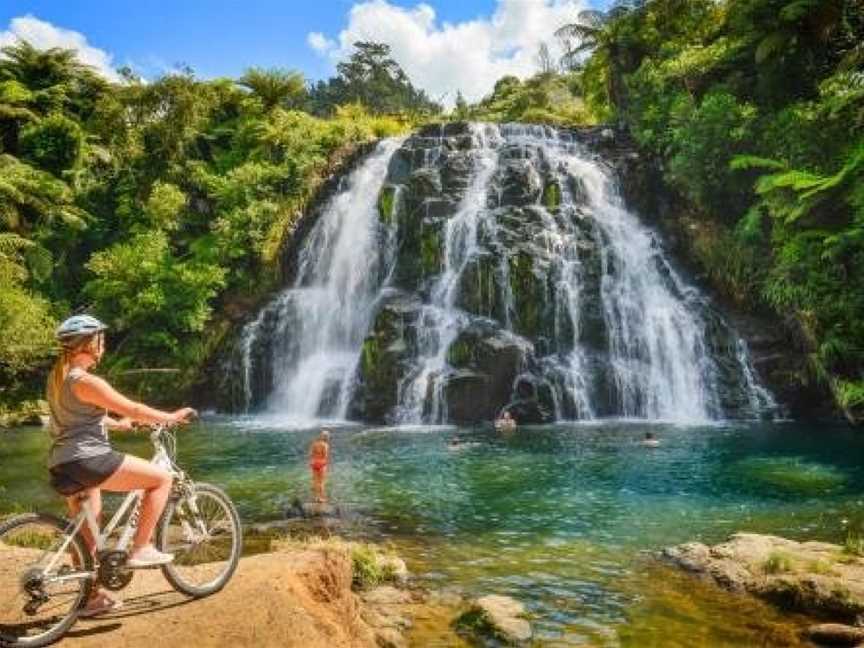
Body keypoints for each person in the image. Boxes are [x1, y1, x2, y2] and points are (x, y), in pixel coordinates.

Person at [46, 315, 196, 617]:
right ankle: (141, 548)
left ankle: (91, 599)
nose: (104, 345)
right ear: (89, 344)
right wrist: (171, 417)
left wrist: (119, 425)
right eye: (100, 340)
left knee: (87, 537)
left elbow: (81, 417)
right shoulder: (86, 380)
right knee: (161, 479)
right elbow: (136, 408)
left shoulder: (58, 379)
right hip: (89, 458)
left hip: (62, 463)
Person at [309, 430, 330, 503]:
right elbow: (325, 455)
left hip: (314, 463)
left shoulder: (314, 444)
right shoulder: (325, 445)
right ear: (326, 437)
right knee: (321, 482)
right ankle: (321, 498)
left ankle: (315, 497)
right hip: (322, 463)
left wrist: (312, 461)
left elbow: (311, 454)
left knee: (315, 481)